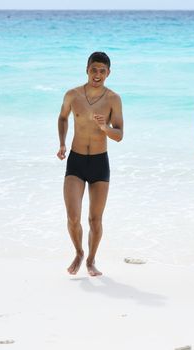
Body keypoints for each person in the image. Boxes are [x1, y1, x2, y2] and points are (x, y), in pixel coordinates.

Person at [57, 52, 123, 276]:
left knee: (95, 219)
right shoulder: (72, 95)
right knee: (73, 216)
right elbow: (63, 117)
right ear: (86, 69)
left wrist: (105, 128)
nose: (97, 74)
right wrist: (62, 144)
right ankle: (78, 252)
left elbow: (120, 134)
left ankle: (91, 260)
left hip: (99, 162)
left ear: (108, 73)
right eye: (94, 69)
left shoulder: (113, 99)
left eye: (102, 71)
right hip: (75, 160)